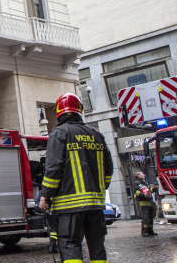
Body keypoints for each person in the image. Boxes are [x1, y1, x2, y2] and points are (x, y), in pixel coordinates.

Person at [39, 93, 113, 263]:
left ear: (58, 111)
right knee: (97, 244)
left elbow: (54, 168)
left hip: (69, 206)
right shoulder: (97, 135)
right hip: (95, 204)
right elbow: (108, 169)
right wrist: (101, 188)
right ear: (80, 109)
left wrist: (46, 195)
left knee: (70, 244)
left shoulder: (58, 133)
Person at [134, 172, 159, 236]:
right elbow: (136, 192)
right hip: (144, 202)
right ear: (138, 175)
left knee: (151, 216)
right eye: (142, 174)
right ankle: (145, 231)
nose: (144, 175)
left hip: (149, 201)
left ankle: (150, 230)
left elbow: (148, 190)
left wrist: (154, 189)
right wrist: (143, 195)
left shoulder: (144, 183)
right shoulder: (137, 183)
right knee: (146, 217)